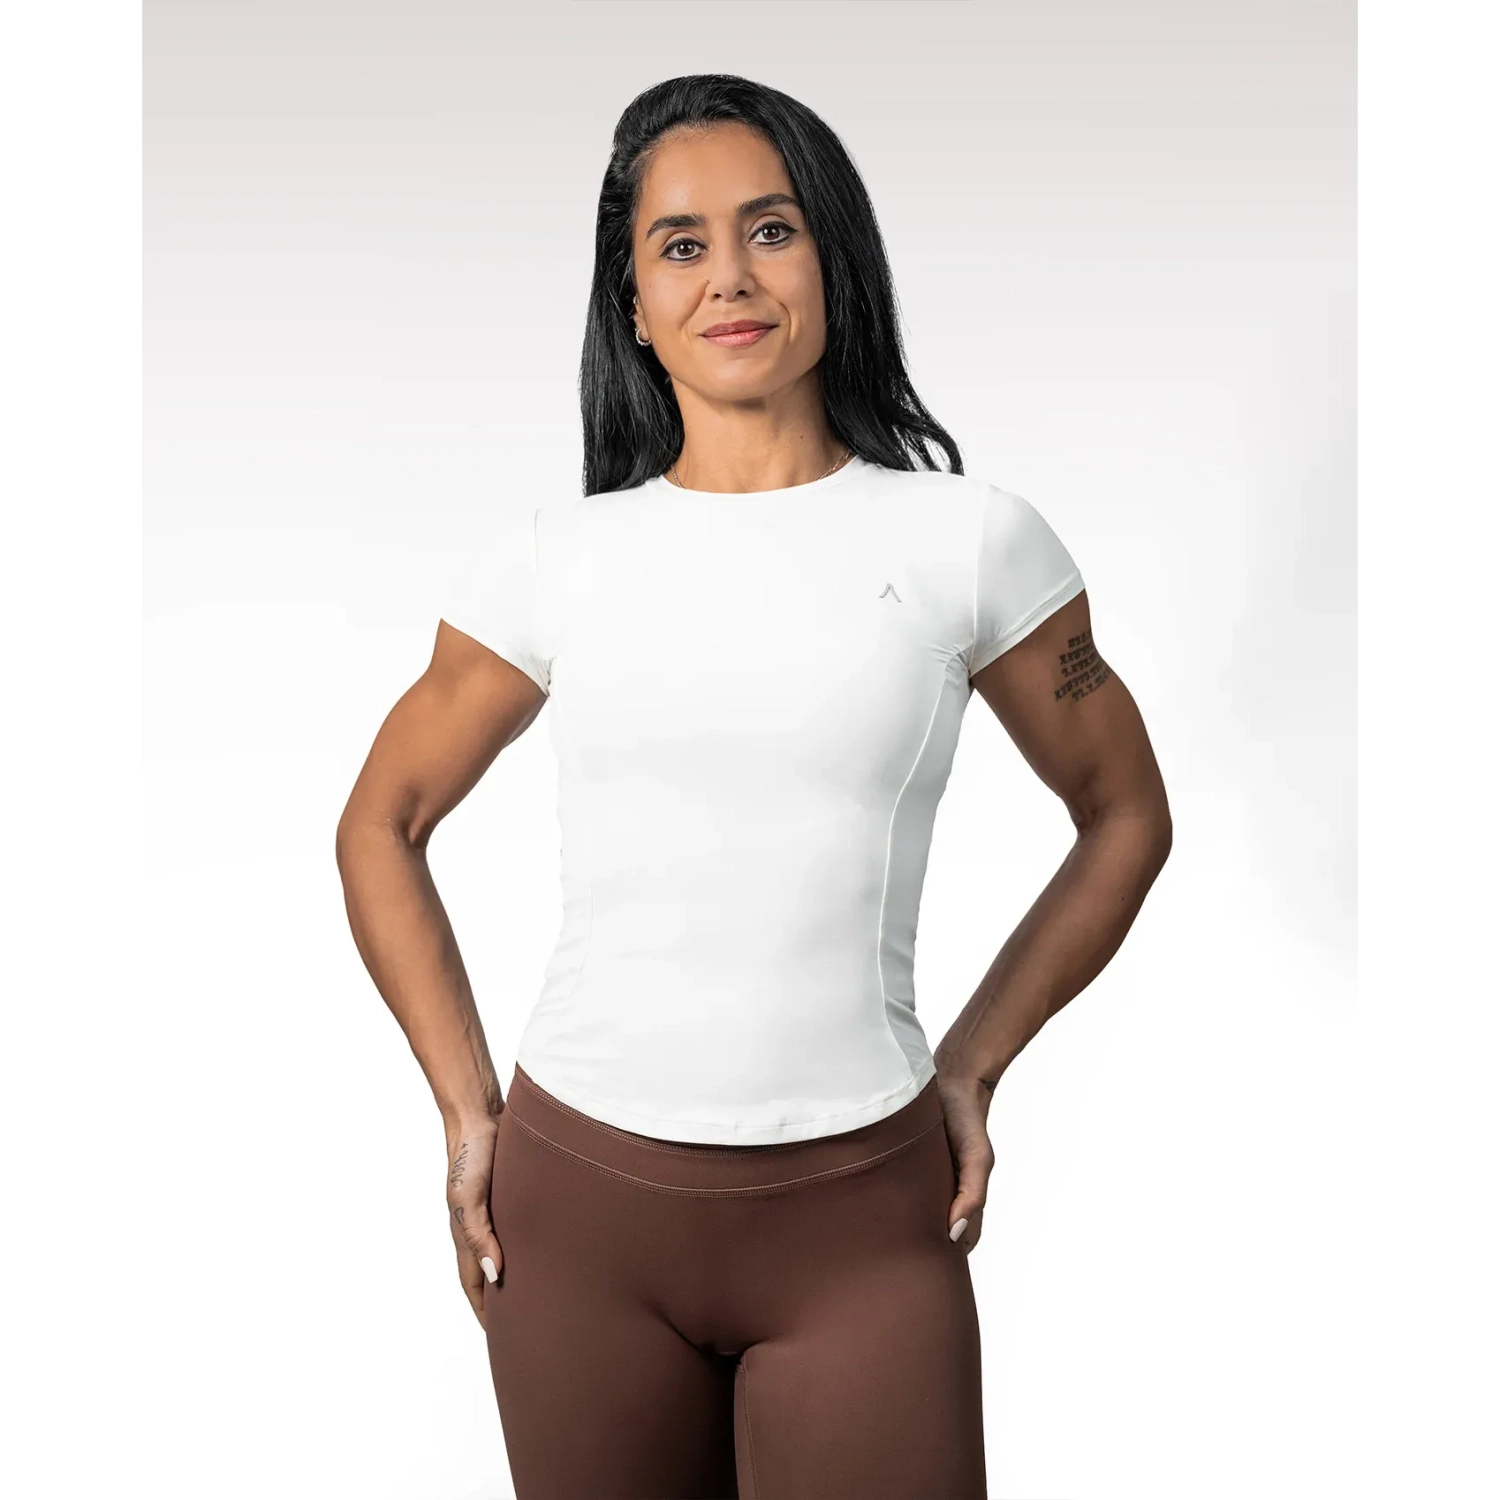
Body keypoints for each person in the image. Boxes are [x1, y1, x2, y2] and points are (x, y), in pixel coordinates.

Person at [336, 73, 1172, 1500]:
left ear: (833, 258)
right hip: (581, 1224)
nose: (728, 275)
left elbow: (1126, 816)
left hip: (861, 1223)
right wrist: (468, 1111)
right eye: (682, 244)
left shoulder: (973, 542)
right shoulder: (556, 562)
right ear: (634, 300)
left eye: (770, 230)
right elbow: (383, 822)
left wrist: (971, 1062)